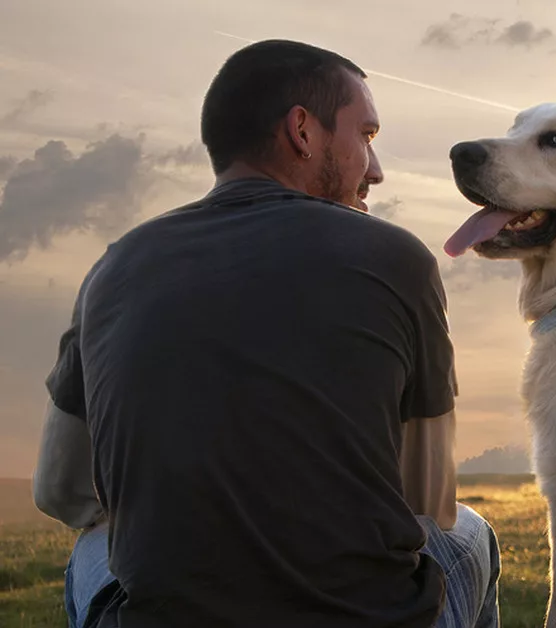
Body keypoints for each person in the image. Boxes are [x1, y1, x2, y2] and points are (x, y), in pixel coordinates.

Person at [30, 39, 500, 628]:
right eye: (368, 137)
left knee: (95, 546)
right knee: (472, 533)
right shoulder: (395, 257)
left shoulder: (112, 269)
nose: (376, 170)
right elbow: (428, 500)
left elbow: (60, 491)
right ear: (303, 130)